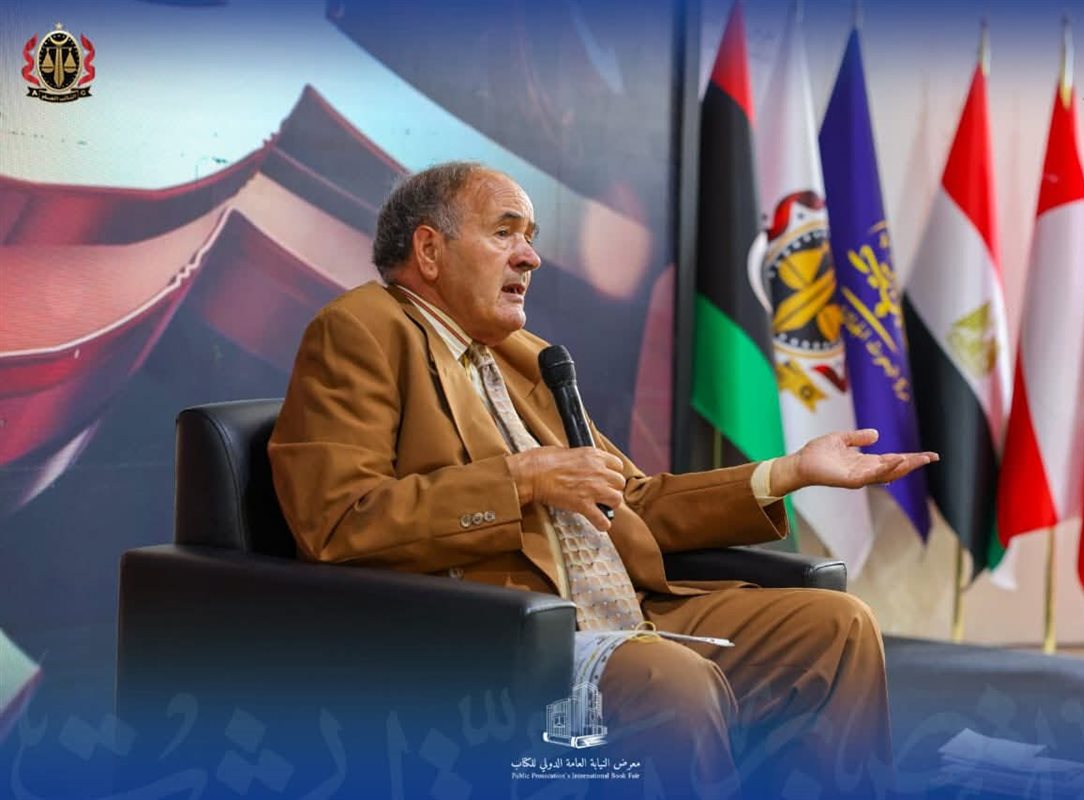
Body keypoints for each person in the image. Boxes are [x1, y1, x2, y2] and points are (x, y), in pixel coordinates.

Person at [268, 161, 937, 799]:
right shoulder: (360, 329)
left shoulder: (525, 357)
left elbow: (631, 499)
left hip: (626, 609)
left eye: (531, 237)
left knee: (837, 626)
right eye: (505, 233)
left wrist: (790, 472)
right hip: (499, 636)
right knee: (669, 680)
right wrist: (522, 480)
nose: (530, 257)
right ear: (429, 250)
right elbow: (338, 524)